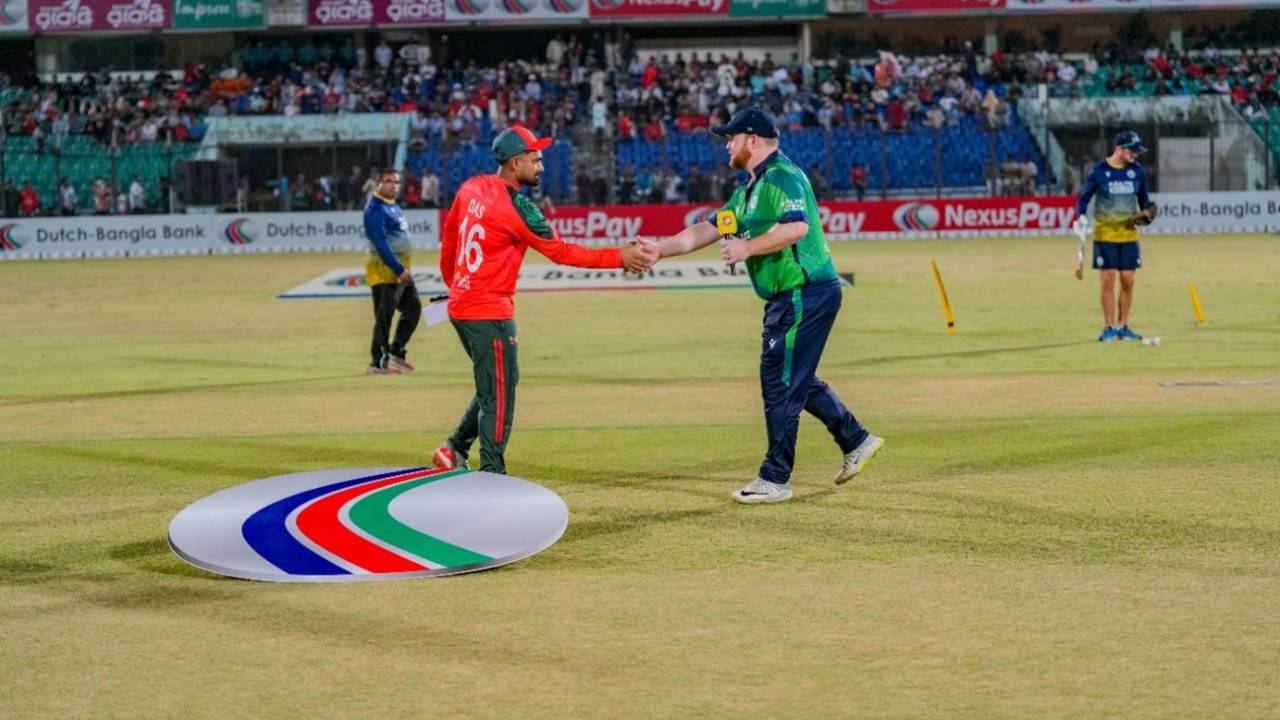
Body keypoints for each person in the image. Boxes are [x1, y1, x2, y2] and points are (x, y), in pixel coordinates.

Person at [642, 108, 883, 504]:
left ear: (752, 140)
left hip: (805, 292)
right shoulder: (750, 188)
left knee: (779, 382)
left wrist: (747, 246)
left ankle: (775, 479)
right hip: (793, 296)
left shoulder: (781, 176)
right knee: (794, 377)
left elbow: (797, 227)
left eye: (731, 138)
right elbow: (711, 226)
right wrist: (661, 249)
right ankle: (856, 439)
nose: (727, 145)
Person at [432, 126, 657, 474]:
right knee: (499, 394)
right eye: (535, 160)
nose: (541, 167)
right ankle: (492, 474)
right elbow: (563, 252)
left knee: (498, 381)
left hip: (460, 306)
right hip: (489, 311)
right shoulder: (518, 207)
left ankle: (454, 448)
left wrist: (455, 282)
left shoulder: (470, 187)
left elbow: (449, 237)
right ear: (514, 162)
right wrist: (618, 257)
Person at [1073, 130, 1154, 342]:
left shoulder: (1137, 171)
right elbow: (1084, 197)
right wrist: (1081, 216)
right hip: (1105, 234)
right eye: (1132, 151)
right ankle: (1109, 327)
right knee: (1107, 279)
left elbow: (1145, 202)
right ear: (1120, 148)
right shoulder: (1099, 171)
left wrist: (1148, 213)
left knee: (1128, 279)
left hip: (1128, 235)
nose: (1135, 155)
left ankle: (1123, 326)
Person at [362, 169, 421, 375]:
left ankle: (396, 352)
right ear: (379, 183)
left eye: (396, 182)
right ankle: (376, 363)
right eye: (388, 181)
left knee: (413, 309)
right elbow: (380, 243)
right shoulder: (375, 208)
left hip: (400, 271)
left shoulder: (393, 205)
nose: (393, 185)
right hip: (384, 272)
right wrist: (397, 268)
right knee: (384, 318)